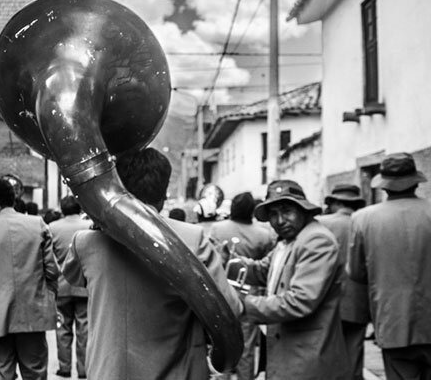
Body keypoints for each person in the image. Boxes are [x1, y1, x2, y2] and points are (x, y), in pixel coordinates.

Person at [62, 148, 241, 379]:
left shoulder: (86, 241)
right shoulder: (192, 238)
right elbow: (230, 309)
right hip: (175, 372)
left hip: (108, 372)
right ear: (164, 193)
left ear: (120, 187)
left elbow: (73, 277)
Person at [230, 180, 348, 380]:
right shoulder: (288, 240)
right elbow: (262, 271)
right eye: (273, 214)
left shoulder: (316, 241)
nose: (280, 220)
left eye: (286, 211)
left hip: (306, 359)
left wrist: (242, 305)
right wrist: (229, 260)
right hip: (287, 354)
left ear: (303, 209)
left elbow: (300, 301)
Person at [0, 178, 59, 379]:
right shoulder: (38, 224)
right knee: (34, 371)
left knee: (0, 371)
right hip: (32, 311)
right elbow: (52, 270)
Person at [348, 152, 431, 380]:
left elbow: (355, 273)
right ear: (415, 181)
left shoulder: (363, 219)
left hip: (393, 321)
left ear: (383, 186)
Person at [210, 192, 276, 380]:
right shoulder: (264, 235)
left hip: (222, 295)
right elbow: (266, 270)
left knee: (220, 343)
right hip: (250, 299)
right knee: (246, 348)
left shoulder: (217, 228)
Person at [318, 184, 369, 380]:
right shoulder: (364, 222)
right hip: (358, 302)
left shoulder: (320, 223)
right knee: (354, 357)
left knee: (325, 358)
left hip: (325, 302)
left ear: (334, 203)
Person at [49, 196, 91, 379]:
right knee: (84, 330)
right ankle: (83, 370)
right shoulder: (88, 226)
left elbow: (49, 259)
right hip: (84, 286)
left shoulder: (53, 228)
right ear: (80, 208)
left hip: (61, 286)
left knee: (62, 328)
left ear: (62, 209)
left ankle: (64, 368)